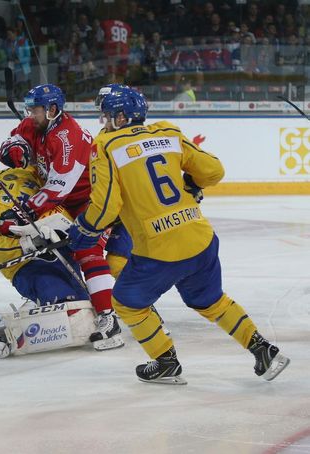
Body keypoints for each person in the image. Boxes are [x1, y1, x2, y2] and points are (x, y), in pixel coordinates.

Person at [66, 86, 290, 384]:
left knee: (126, 303)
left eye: (107, 116)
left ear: (120, 117)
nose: (104, 122)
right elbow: (213, 171)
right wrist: (193, 184)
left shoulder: (106, 145)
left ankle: (165, 361)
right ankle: (263, 350)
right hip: (200, 239)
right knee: (212, 302)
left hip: (158, 250)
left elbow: (107, 205)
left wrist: (85, 228)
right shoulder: (168, 132)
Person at [0, 83, 123, 351]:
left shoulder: (68, 138)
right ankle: (63, 297)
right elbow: (13, 139)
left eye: (35, 110)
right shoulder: (36, 124)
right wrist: (13, 150)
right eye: (28, 109)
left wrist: (22, 212)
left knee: (88, 250)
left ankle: (109, 320)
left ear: (53, 110)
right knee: (47, 247)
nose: (30, 115)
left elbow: (56, 189)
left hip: (93, 201)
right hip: (64, 203)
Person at [0, 161, 95, 358]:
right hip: (25, 264)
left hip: (58, 247)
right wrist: (27, 244)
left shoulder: (18, 174)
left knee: (81, 304)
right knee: (62, 301)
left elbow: (52, 188)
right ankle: (5, 333)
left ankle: (32, 307)